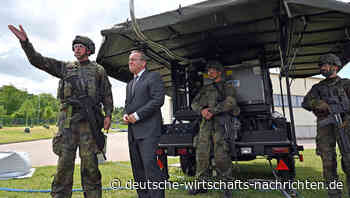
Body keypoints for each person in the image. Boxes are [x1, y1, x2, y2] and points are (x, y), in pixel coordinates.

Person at [8, 25, 113, 198]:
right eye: (75, 46)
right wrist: (25, 43)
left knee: (91, 167)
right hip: (67, 125)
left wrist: (108, 115)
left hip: (89, 125)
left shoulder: (98, 70)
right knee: (64, 166)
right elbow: (38, 61)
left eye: (80, 46)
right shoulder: (66, 68)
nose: (76, 49)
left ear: (88, 50)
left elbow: (107, 95)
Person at [302, 53, 350, 198]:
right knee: (328, 162)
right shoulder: (317, 88)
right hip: (325, 126)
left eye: (325, 65)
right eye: (321, 66)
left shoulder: (346, 84)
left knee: (349, 160)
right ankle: (334, 194)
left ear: (334, 67)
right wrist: (318, 103)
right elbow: (305, 103)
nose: (322, 68)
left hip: (345, 124)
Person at [190, 60, 240, 198]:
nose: (209, 72)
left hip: (221, 123)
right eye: (208, 70)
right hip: (205, 125)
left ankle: (226, 187)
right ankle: (201, 185)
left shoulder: (227, 86)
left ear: (219, 72)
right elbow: (194, 103)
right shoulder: (205, 89)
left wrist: (213, 110)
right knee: (202, 155)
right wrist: (202, 111)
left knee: (221, 156)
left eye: (212, 70)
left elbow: (230, 102)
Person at [123, 50, 166, 198]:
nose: (130, 63)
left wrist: (137, 115)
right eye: (129, 60)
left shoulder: (153, 77)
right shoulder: (130, 84)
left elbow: (158, 100)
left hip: (149, 132)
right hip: (133, 133)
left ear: (143, 63)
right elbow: (128, 104)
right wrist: (126, 114)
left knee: (150, 167)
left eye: (133, 60)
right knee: (138, 169)